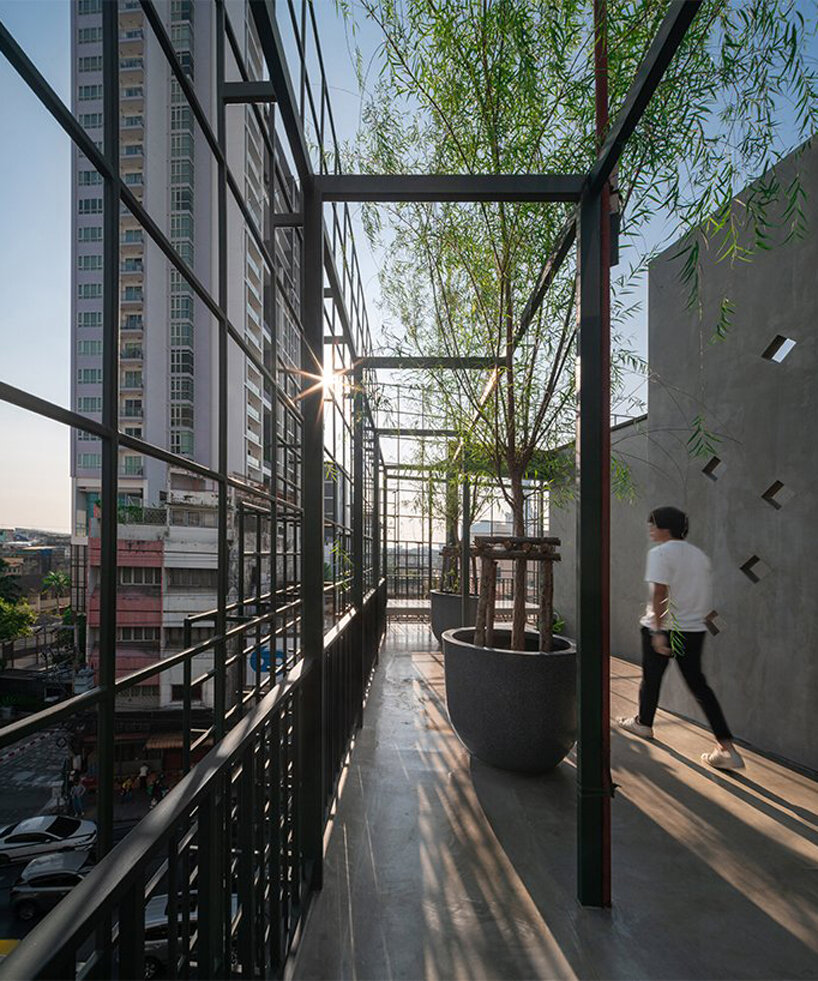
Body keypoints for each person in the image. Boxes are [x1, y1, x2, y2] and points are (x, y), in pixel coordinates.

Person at [616, 506, 745, 771]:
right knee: (699, 687)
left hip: (667, 629)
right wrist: (712, 621)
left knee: (651, 679)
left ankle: (643, 724)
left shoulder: (660, 553)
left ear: (665, 528)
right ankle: (726, 747)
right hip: (693, 630)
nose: (650, 529)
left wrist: (658, 632)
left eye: (653, 524)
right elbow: (702, 594)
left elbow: (661, 593)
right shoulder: (699, 557)